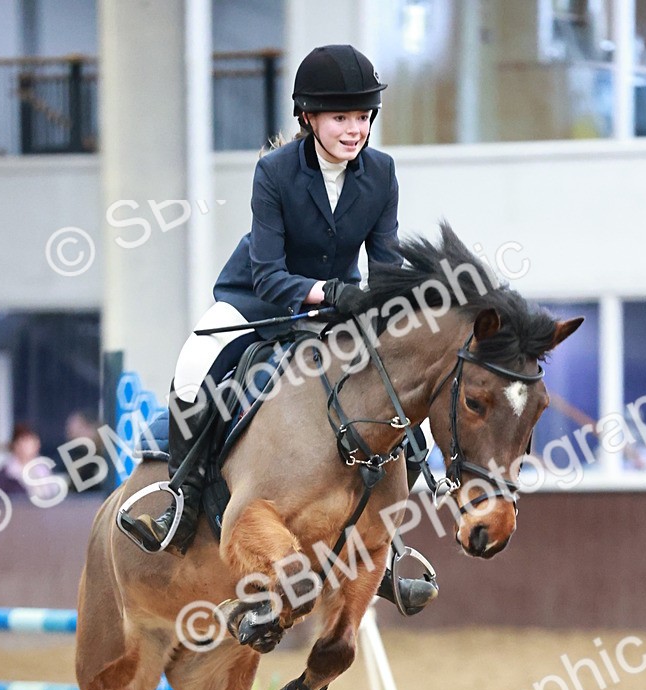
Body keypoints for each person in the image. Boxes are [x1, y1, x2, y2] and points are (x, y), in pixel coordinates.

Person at [120, 43, 437, 615]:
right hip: (257, 301)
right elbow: (268, 274)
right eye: (341, 117)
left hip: (333, 312)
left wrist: (388, 310)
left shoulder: (382, 173)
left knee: (394, 394)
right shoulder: (275, 172)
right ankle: (182, 497)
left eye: (363, 117)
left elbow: (385, 264)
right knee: (195, 367)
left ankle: (384, 542)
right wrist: (329, 293)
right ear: (309, 118)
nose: (354, 129)